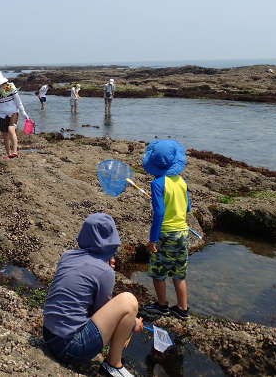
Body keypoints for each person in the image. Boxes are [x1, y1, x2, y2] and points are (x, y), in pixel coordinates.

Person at [43, 213, 143, 377]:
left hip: (49, 336)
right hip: (71, 348)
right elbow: (100, 311)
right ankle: (113, 365)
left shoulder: (67, 255)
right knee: (128, 301)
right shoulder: (105, 272)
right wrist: (132, 325)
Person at [142, 139, 191, 320]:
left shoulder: (157, 184)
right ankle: (182, 309)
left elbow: (160, 213)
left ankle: (162, 306)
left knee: (158, 272)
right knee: (179, 273)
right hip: (183, 232)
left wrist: (153, 239)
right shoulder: (182, 181)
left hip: (165, 234)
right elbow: (188, 208)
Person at [0, 71, 30, 159]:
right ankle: (8, 154)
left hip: (13, 112)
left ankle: (15, 151)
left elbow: (18, 102)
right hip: (2, 115)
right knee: (5, 136)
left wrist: (23, 113)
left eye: (1, 83)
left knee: (11, 130)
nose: (0, 85)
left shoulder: (11, 87)